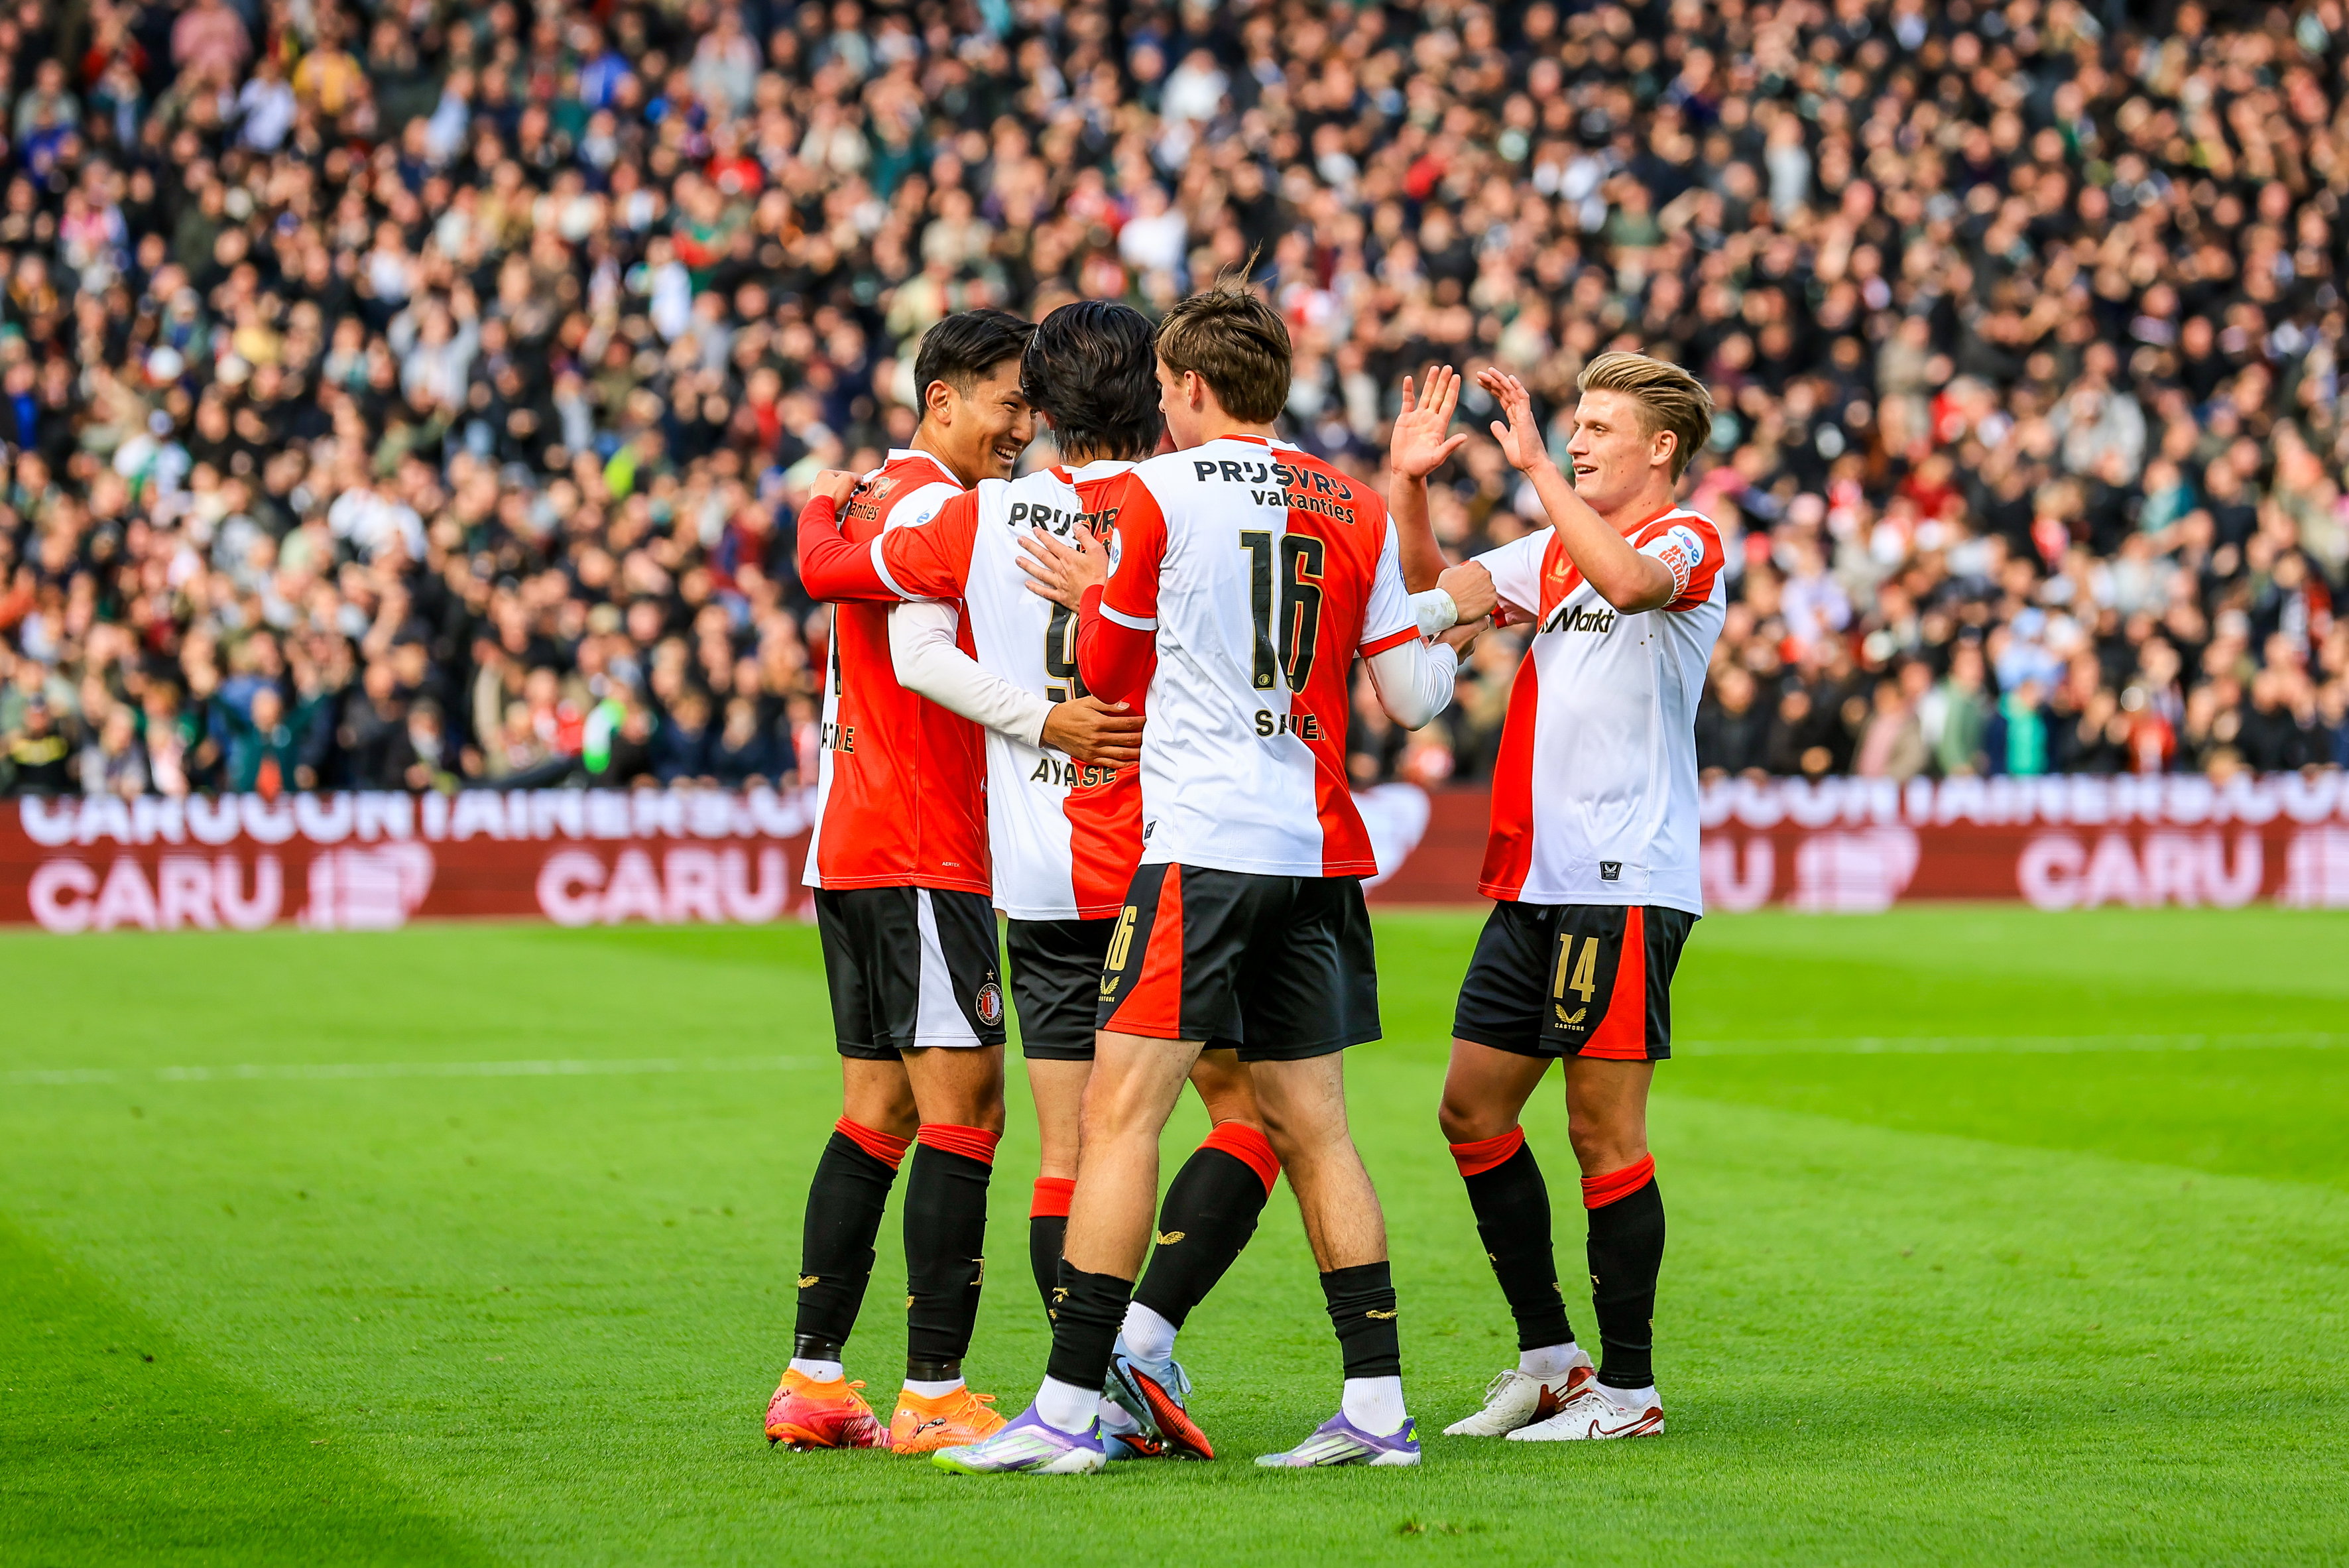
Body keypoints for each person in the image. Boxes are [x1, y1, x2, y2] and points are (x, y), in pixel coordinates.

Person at [933, 280, 1484, 1477]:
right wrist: (1450, 606)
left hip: (1200, 851)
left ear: (1185, 386)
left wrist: (1098, 592)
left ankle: (1068, 1412)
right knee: (1317, 1132)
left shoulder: (1157, 494)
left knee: (1119, 1119)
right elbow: (1413, 696)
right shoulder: (1351, 501)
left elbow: (1109, 672)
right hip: (1316, 852)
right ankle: (1377, 1409)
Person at [797, 300, 1326, 1461]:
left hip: (1031, 870)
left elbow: (859, 593)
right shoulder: (1174, 503)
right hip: (1157, 859)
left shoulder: (983, 513)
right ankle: (1134, 1342)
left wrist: (822, 504)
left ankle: (1073, 1390)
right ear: (1160, 388)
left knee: (1069, 1151)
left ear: (1045, 402)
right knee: (1254, 1117)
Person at [1428, 353, 1727, 1443]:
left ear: (1661, 446)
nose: (1578, 440)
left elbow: (1634, 584)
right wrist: (1410, 487)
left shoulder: (1689, 540)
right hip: (1535, 880)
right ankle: (1553, 1361)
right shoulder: (1552, 548)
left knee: (1602, 1129)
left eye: (1600, 426)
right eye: (1576, 425)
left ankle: (1631, 1393)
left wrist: (1537, 477)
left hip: (1624, 880)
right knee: (1471, 1111)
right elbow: (1434, 600)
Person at [764, 309, 1040, 1457]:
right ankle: (935, 1389)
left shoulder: (876, 494)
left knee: (878, 1113)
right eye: (1008, 403)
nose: (1022, 428)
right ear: (943, 398)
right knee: (967, 1111)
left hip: (856, 845)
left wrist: (816, 507)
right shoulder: (934, 507)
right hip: (921, 846)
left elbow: (825, 564)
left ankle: (815, 1379)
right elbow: (915, 650)